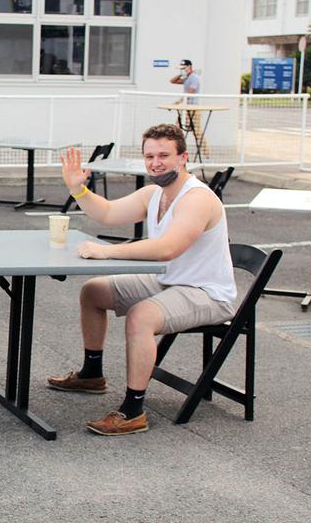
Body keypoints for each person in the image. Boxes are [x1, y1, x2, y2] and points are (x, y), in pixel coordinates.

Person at [47, 123, 236, 436]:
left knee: (141, 316)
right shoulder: (154, 194)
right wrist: (78, 189)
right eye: (150, 156)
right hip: (172, 280)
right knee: (93, 291)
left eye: (164, 155)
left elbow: (167, 248)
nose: (156, 162)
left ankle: (133, 410)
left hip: (207, 292)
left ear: (183, 158)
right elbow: (107, 213)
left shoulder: (197, 198)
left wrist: (108, 252)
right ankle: (92, 374)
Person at [169, 59, 208, 156]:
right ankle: (177, 149)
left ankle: (206, 153)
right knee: (177, 128)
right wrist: (181, 74)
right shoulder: (187, 78)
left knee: (197, 132)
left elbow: (189, 93)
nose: (182, 70)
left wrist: (177, 103)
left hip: (193, 108)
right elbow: (172, 81)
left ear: (189, 67)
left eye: (183, 68)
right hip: (185, 109)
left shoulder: (194, 78)